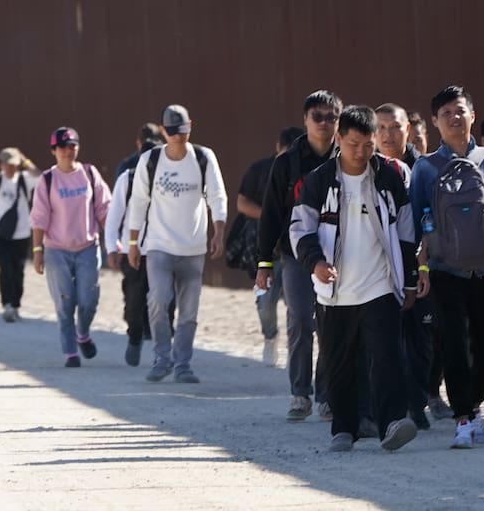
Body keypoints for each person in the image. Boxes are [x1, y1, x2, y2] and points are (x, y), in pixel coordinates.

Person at [291, 105, 423, 453]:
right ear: (339, 140)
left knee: (386, 357)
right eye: (353, 144)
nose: (361, 152)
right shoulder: (319, 182)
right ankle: (344, 428)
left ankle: (392, 422)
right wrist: (316, 263)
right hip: (335, 291)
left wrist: (409, 280)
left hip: (380, 283)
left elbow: (407, 232)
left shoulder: (388, 178)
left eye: (367, 145)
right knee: (339, 362)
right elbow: (299, 230)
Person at [409, 86, 484, 449]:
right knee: (452, 342)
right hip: (446, 268)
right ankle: (463, 416)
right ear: (434, 121)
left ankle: (474, 404)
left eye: (459, 110)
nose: (454, 116)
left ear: (472, 115)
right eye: (445, 112)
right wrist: (419, 267)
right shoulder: (426, 167)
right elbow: (414, 219)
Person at [126, 105, 228, 384]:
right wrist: (133, 243)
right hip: (158, 245)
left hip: (193, 247)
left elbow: (217, 197)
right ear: (162, 131)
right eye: (171, 132)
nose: (178, 137)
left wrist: (218, 232)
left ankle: (183, 364)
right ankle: (162, 357)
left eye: (182, 131)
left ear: (190, 126)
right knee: (158, 299)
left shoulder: (204, 157)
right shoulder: (151, 160)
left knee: (189, 311)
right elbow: (138, 203)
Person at [256, 90, 342, 421]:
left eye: (331, 117)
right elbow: (271, 216)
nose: (324, 123)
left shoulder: (346, 158)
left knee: (331, 323)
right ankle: (299, 394)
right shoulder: (287, 162)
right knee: (302, 319)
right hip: (294, 256)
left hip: (337, 254)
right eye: (316, 117)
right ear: (305, 120)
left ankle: (326, 395)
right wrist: (264, 262)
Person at [375, 102, 444, 428]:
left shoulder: (425, 168)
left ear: (409, 130)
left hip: (421, 266)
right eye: (382, 128)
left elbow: (432, 219)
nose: (389, 134)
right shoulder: (364, 167)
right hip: (378, 269)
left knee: (423, 340)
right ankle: (395, 407)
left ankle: (420, 401)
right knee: (385, 340)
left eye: (395, 127)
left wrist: (424, 264)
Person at [30, 127, 112, 367]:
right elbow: (39, 218)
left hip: (87, 247)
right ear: (54, 150)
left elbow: (104, 209)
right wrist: (37, 252)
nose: (68, 150)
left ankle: (82, 333)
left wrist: (113, 241)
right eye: (63, 147)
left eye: (72, 145)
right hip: (57, 250)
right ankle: (70, 353)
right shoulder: (47, 180)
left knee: (88, 299)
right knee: (65, 302)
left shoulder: (89, 173)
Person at [232, 125, 303, 367]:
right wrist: (269, 216)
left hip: (297, 251)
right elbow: (241, 203)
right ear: (277, 148)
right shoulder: (260, 169)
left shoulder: (307, 169)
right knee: (265, 303)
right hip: (267, 251)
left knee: (298, 306)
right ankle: (270, 337)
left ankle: (296, 353)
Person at [104, 125, 165, 366]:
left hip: (162, 249)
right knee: (134, 300)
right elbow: (114, 217)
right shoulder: (126, 180)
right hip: (133, 250)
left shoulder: (166, 182)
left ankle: (163, 350)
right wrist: (112, 247)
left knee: (163, 301)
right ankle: (134, 337)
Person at [0, 147, 41, 322]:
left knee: (18, 270)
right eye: (6, 164)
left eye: (13, 164)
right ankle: (7, 305)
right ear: (1, 165)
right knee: (5, 269)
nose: (10, 168)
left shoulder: (24, 180)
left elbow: (40, 176)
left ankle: (16, 305)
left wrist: (25, 160)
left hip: (21, 234)